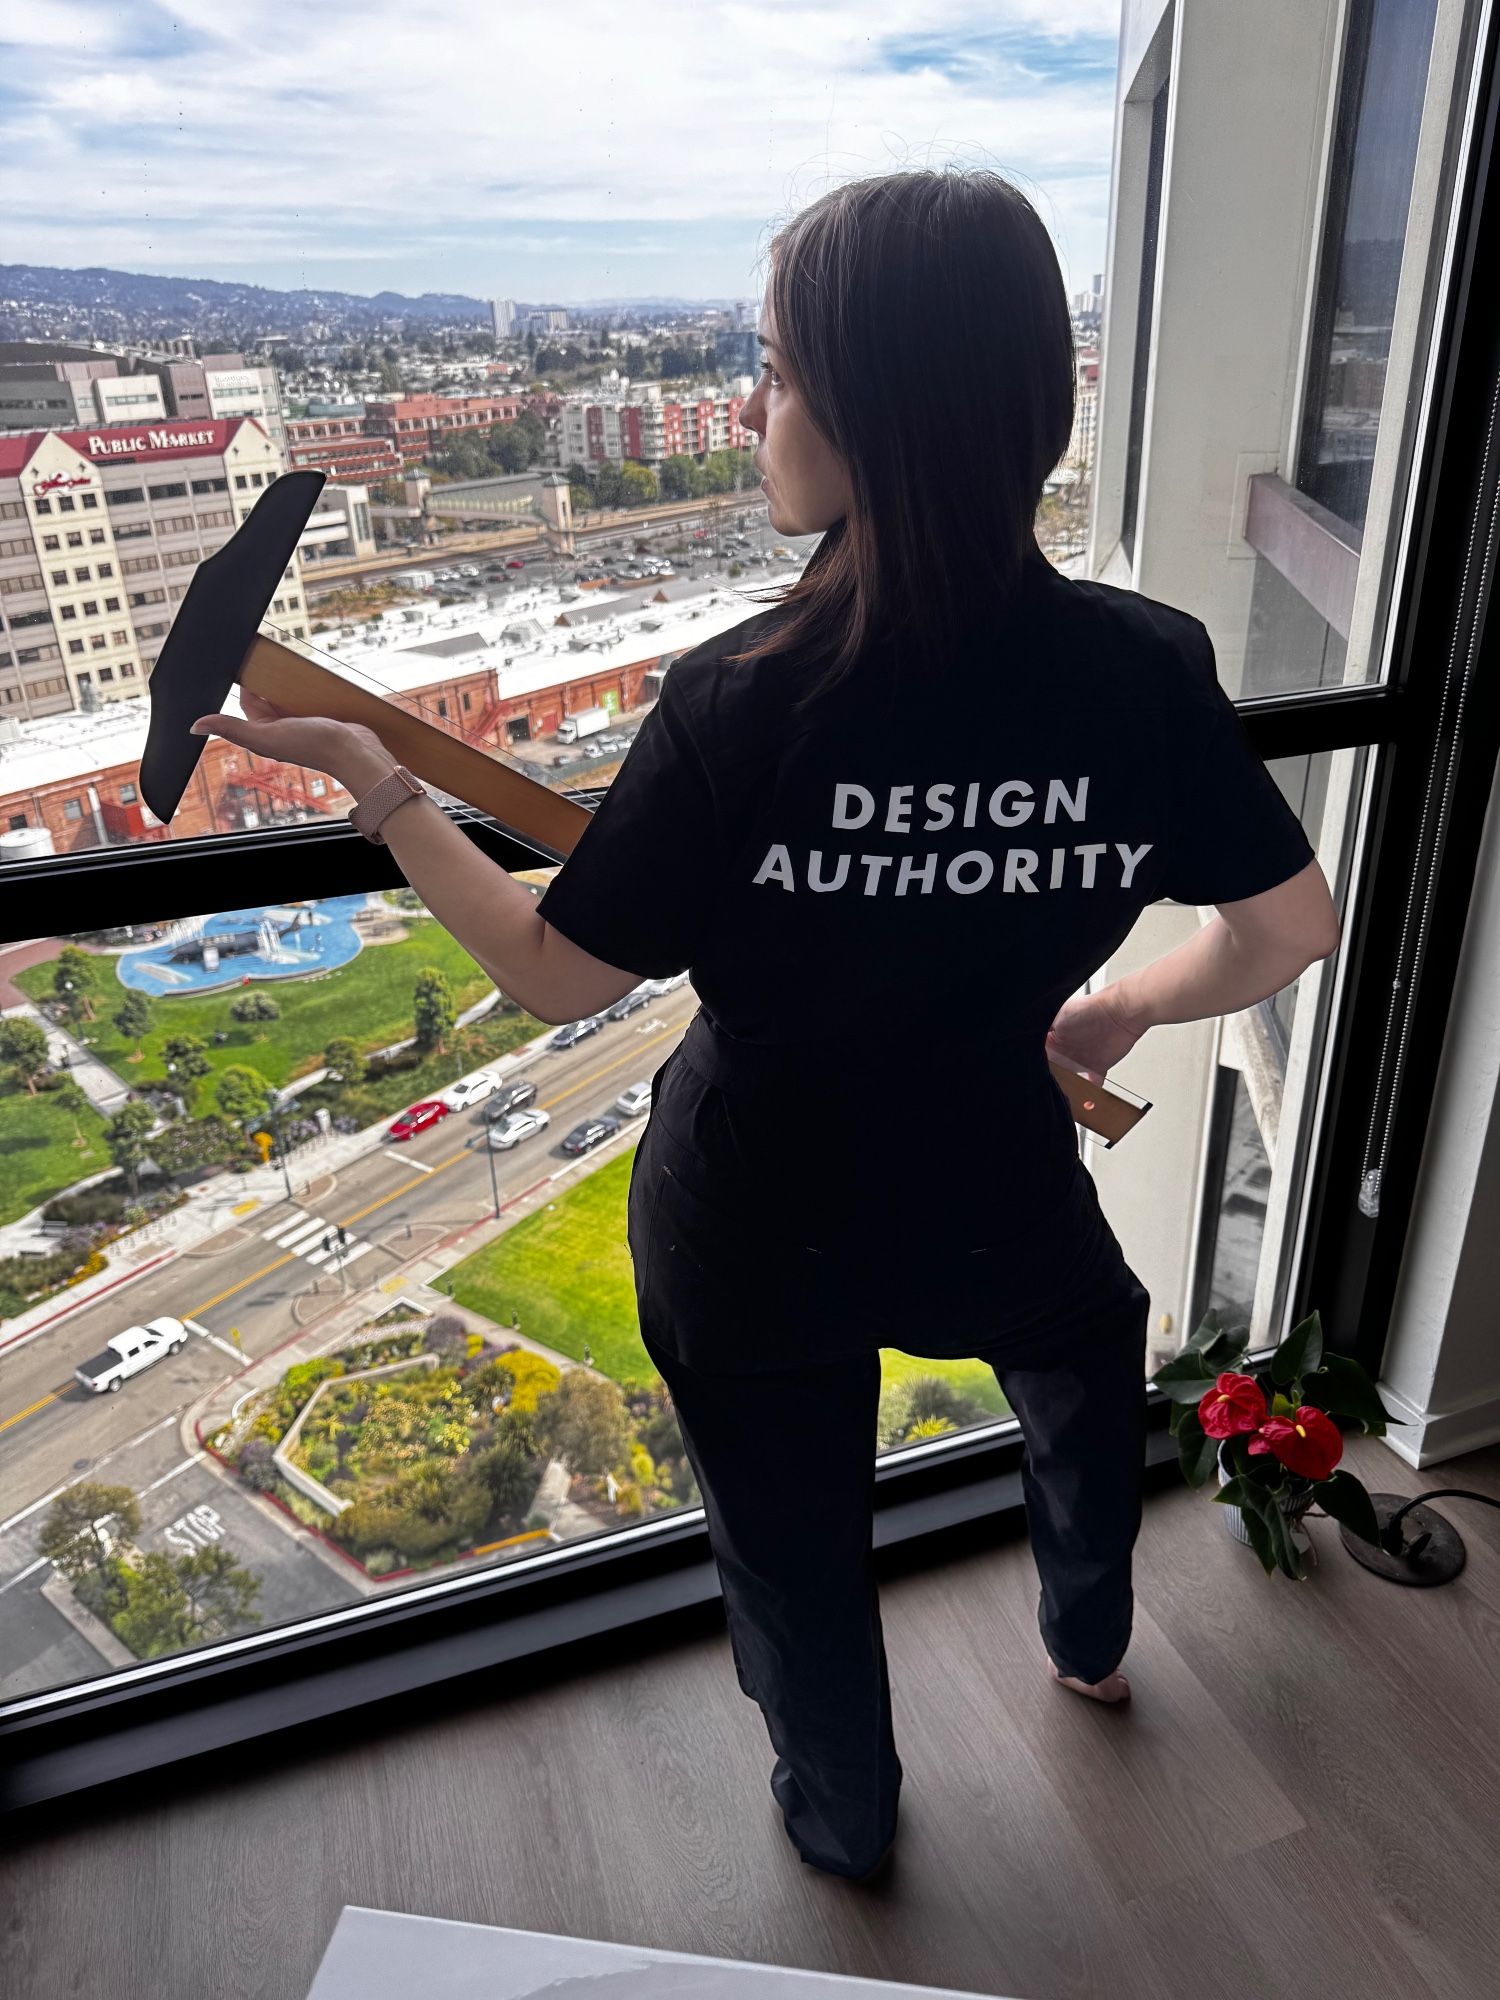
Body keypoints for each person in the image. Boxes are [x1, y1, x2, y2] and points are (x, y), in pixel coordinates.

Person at [188, 167, 1341, 1885]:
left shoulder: (742, 696)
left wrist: (382, 790)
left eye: (780, 371)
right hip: (990, 1167)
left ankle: (847, 1817)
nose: (750, 406)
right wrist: (1100, 1009)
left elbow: (563, 973)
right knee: (1089, 1361)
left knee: (795, 1550)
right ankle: (1091, 1633)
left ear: (870, 412)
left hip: (757, 1206)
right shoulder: (1148, 668)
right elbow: (1285, 930)